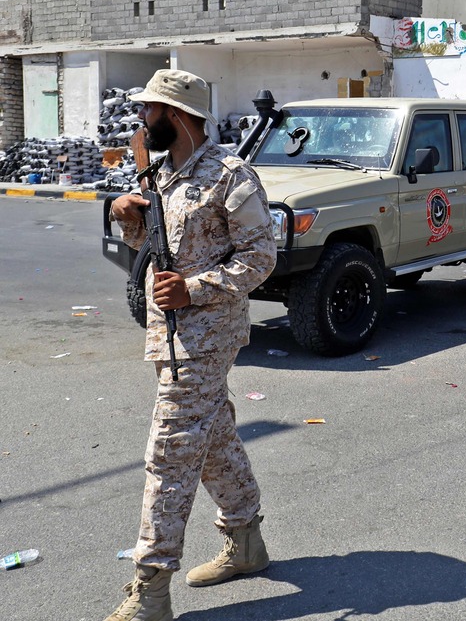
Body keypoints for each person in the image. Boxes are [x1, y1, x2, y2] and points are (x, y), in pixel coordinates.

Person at [106, 69, 278, 621]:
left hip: (205, 338)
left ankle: (150, 587)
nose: (141, 120)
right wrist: (129, 219)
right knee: (213, 439)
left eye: (148, 111)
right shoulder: (162, 173)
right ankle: (246, 541)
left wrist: (194, 289)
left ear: (175, 115)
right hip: (171, 335)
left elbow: (260, 258)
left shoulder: (230, 176)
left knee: (170, 454)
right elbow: (160, 249)